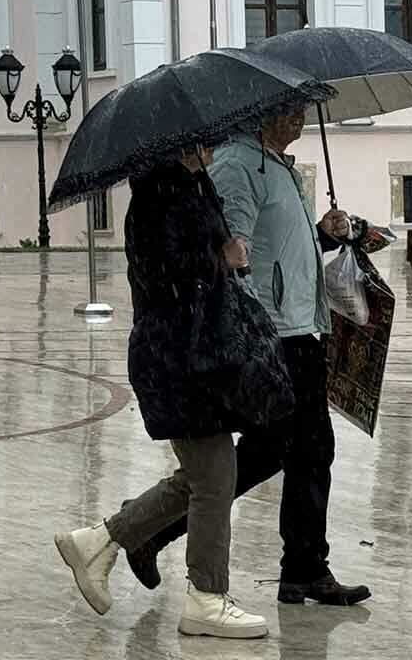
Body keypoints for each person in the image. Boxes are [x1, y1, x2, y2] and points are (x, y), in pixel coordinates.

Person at [123, 107, 371, 607]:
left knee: (297, 450)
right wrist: (254, 326)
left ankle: (298, 565)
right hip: (274, 333)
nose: (300, 118)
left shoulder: (277, 164)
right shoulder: (240, 166)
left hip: (302, 325)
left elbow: (273, 246)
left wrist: (323, 233)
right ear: (265, 113)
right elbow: (232, 252)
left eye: (303, 108)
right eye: (291, 109)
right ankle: (154, 531)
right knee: (282, 450)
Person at [54, 147, 293, 639]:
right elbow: (168, 278)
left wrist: (225, 258)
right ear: (177, 143)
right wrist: (220, 258)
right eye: (201, 141)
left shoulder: (189, 187)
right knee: (214, 477)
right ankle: (205, 597)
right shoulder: (158, 198)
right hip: (177, 359)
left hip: (198, 354)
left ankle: (99, 540)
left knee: (210, 475)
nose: (210, 148)